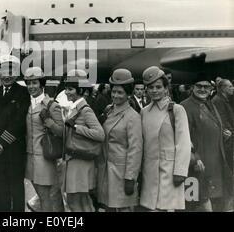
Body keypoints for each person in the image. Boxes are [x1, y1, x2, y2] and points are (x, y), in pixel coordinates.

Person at [140, 66, 191, 211]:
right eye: (150, 87)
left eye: (158, 87)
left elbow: (184, 143)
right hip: (149, 172)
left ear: (165, 88)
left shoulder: (176, 110)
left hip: (170, 171)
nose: (154, 90)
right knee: (152, 208)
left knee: (168, 208)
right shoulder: (144, 112)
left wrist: (180, 172)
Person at [0, 55, 30, 212]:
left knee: (16, 191)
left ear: (16, 73)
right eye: (3, 71)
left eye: (11, 71)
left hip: (13, 151)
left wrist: (0, 144)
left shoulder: (24, 92)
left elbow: (18, 124)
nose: (7, 75)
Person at [181, 74, 233, 211]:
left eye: (206, 86)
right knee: (195, 204)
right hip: (198, 165)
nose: (203, 89)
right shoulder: (184, 107)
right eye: (199, 86)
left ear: (211, 88)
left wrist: (222, 134)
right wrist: (195, 158)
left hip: (215, 163)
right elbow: (183, 137)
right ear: (192, 87)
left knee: (214, 202)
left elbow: (210, 127)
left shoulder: (209, 103)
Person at [97, 69, 142, 212]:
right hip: (106, 171)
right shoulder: (108, 111)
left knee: (124, 209)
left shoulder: (133, 117)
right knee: (107, 207)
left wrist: (130, 178)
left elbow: (135, 149)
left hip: (122, 173)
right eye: (113, 91)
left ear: (128, 94)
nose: (115, 95)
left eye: (120, 92)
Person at [63, 69, 105, 212]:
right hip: (76, 160)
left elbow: (100, 134)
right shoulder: (75, 108)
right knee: (81, 201)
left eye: (70, 89)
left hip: (80, 161)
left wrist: (76, 127)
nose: (67, 92)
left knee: (75, 201)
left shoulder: (85, 110)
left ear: (80, 89)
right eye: (66, 88)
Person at [23, 67, 64, 212]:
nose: (31, 87)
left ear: (41, 84)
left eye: (34, 83)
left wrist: (49, 122)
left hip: (45, 158)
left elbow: (62, 132)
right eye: (28, 83)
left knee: (46, 196)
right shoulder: (26, 103)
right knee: (41, 196)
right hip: (29, 157)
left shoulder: (52, 105)